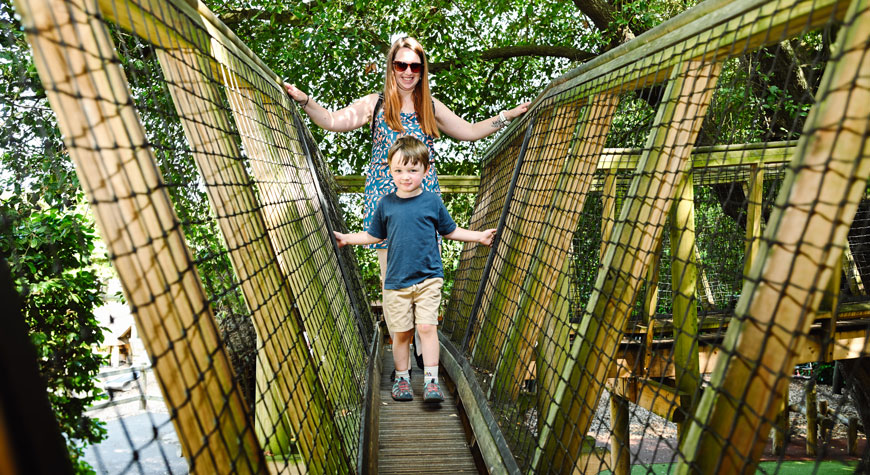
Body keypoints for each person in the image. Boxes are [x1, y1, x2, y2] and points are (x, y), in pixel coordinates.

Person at [284, 36, 527, 283]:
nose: (408, 72)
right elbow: (331, 121)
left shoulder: (430, 106)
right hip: (386, 202)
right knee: (393, 281)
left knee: (427, 278)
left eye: (415, 66)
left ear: (422, 71)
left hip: (424, 201)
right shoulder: (375, 103)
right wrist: (305, 101)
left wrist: (507, 116)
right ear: (392, 68)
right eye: (401, 65)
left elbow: (470, 131)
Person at [334, 137, 495, 402]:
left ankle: (431, 381)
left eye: (412, 170)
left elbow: (450, 231)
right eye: (398, 170)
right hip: (397, 281)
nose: (405, 176)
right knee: (401, 333)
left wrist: (479, 236)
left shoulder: (432, 202)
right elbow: (373, 235)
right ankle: (402, 378)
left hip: (429, 278)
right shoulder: (386, 204)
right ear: (390, 171)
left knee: (426, 327)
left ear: (425, 170)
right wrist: (347, 239)